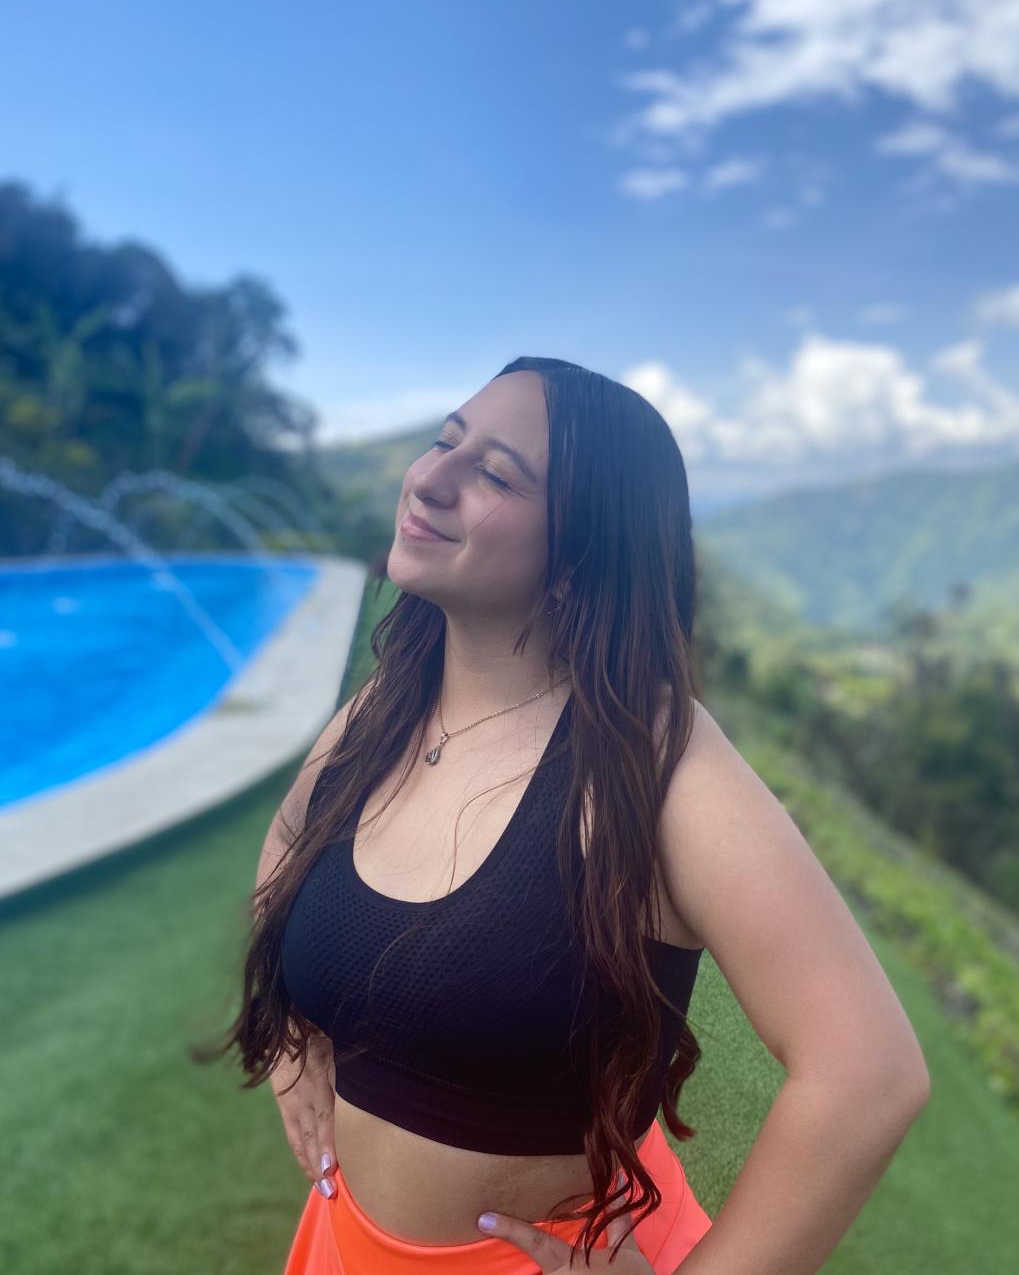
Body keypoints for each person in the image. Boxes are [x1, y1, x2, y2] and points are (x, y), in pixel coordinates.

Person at [216, 358, 930, 1274]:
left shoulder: (652, 763)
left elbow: (867, 1075)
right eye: (442, 441)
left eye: (494, 473)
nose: (428, 479)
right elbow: (288, 842)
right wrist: (292, 1045)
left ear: (582, 554)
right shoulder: (384, 711)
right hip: (341, 1242)